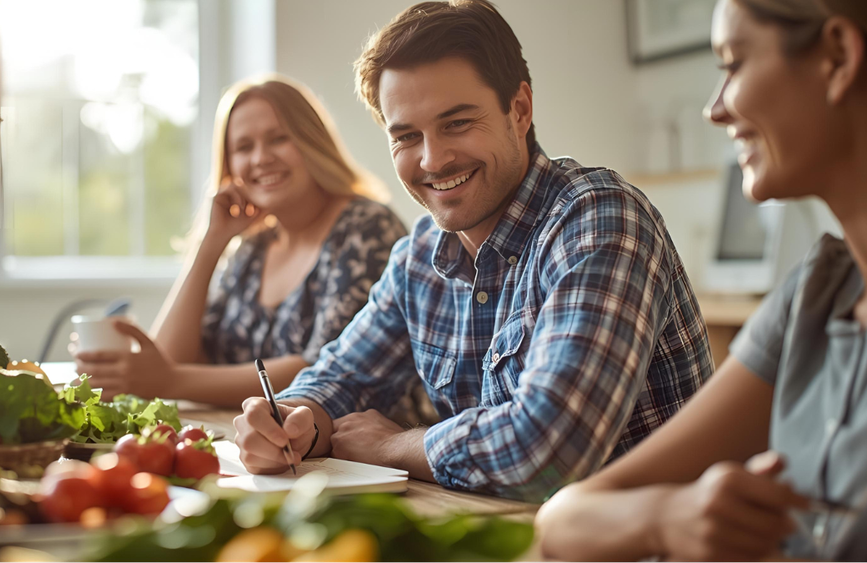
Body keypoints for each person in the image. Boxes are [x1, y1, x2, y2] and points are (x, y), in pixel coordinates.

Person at [232, 0, 713, 502]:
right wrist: (288, 423)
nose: (433, 159)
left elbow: (549, 450)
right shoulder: (418, 256)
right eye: (407, 137)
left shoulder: (600, 219)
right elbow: (340, 377)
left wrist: (396, 446)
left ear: (519, 110)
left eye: (457, 123)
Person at [535, 0, 867, 560]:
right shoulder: (817, 294)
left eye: (733, 64)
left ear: (837, 56)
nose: (714, 109)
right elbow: (564, 517)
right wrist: (667, 517)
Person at [74, 75, 408, 406]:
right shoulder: (252, 248)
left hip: (357, 450)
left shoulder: (366, 228)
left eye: (278, 139)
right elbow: (170, 358)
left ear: (312, 142)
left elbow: (324, 372)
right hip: (251, 444)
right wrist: (211, 244)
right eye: (244, 147)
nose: (261, 158)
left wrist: (172, 381)